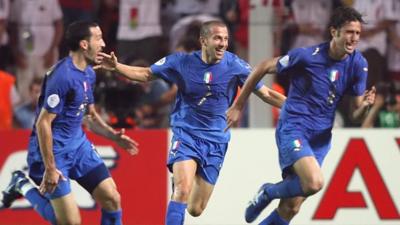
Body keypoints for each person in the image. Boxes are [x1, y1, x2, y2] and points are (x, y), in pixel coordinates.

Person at [97, 20, 286, 225]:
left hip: (216, 140)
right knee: (182, 190)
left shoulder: (235, 65)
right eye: (217, 38)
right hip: (186, 135)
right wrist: (117, 67)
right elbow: (146, 74)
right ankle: (179, 184)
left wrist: (298, 108)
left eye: (225, 39)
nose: (222, 43)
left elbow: (266, 94)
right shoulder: (181, 62)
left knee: (196, 209)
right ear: (203, 41)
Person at [226, 7, 376, 225]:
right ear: (334, 32)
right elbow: (262, 67)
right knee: (314, 183)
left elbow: (355, 115)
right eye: (349, 32)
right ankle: (268, 192)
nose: (354, 38)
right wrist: (238, 105)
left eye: (357, 33)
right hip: (294, 128)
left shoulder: (358, 64)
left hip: (321, 137)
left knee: (291, 207)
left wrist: (366, 107)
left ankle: (271, 198)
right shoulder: (307, 56)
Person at [1, 21, 138, 225]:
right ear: (84, 44)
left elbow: (88, 115)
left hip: (79, 147)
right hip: (53, 154)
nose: (103, 43)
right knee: (70, 223)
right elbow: (43, 123)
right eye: (98, 38)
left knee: (112, 199)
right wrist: (50, 168)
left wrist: (112, 135)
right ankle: (22, 184)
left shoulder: (89, 73)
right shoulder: (62, 77)